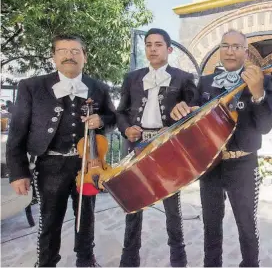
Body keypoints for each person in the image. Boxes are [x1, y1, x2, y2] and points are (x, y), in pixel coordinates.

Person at [6, 34, 117, 267]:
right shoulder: (31, 87)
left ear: (84, 57)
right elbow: (17, 133)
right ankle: (46, 263)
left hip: (88, 165)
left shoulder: (98, 87)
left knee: (86, 217)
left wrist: (102, 120)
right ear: (53, 57)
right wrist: (19, 172)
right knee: (49, 220)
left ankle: (86, 260)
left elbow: (112, 117)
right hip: (50, 166)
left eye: (76, 51)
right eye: (63, 51)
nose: (69, 56)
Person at [172, 29, 272, 267]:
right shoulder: (207, 82)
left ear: (245, 52)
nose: (230, 51)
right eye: (225, 45)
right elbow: (194, 121)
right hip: (211, 165)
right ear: (219, 50)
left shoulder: (260, 79)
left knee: (247, 224)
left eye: (236, 46)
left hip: (243, 163)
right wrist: (183, 112)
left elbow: (265, 126)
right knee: (211, 224)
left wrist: (258, 92)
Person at [116, 28, 199, 267]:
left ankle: (178, 258)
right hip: (136, 147)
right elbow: (120, 112)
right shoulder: (132, 78)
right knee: (133, 205)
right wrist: (126, 129)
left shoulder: (183, 78)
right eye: (149, 45)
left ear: (169, 49)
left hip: (168, 148)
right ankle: (129, 259)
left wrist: (183, 113)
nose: (152, 49)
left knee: (172, 205)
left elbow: (194, 111)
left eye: (158, 45)